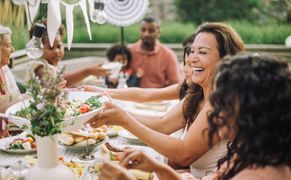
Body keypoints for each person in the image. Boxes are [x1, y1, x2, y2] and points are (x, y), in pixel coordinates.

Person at [98, 53, 291, 180]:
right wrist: (158, 168)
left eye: (225, 101)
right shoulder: (248, 152)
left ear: (254, 111)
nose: (215, 109)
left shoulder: (258, 175)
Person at [88, 22, 245, 178]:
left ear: (226, 60)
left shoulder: (224, 101)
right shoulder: (197, 93)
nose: (192, 59)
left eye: (202, 52)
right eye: (192, 51)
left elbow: (184, 153)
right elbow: (162, 123)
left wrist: (124, 120)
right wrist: (113, 109)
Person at [84, 33, 195, 102]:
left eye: (191, 64)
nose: (184, 69)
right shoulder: (185, 89)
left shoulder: (205, 101)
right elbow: (144, 94)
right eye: (185, 63)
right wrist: (100, 90)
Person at [27, 20, 109, 87]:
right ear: (38, 48)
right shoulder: (40, 67)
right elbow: (56, 83)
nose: (56, 51)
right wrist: (88, 71)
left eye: (59, 46)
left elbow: (65, 82)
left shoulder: (54, 65)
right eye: (51, 48)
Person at [129, 16, 181, 88]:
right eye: (143, 30)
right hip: (132, 96)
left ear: (158, 33)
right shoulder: (130, 51)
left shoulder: (168, 55)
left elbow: (175, 85)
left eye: (151, 31)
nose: (146, 34)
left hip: (159, 97)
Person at [0, 25, 27, 138]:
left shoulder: (3, 69)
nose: (13, 50)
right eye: (8, 46)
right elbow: (4, 104)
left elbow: (13, 100)